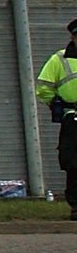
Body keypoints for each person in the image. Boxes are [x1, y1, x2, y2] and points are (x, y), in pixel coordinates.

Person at [37, 15, 77, 220]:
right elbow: (43, 87)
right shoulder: (60, 59)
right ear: (73, 37)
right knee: (73, 163)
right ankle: (76, 205)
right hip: (73, 116)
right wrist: (57, 104)